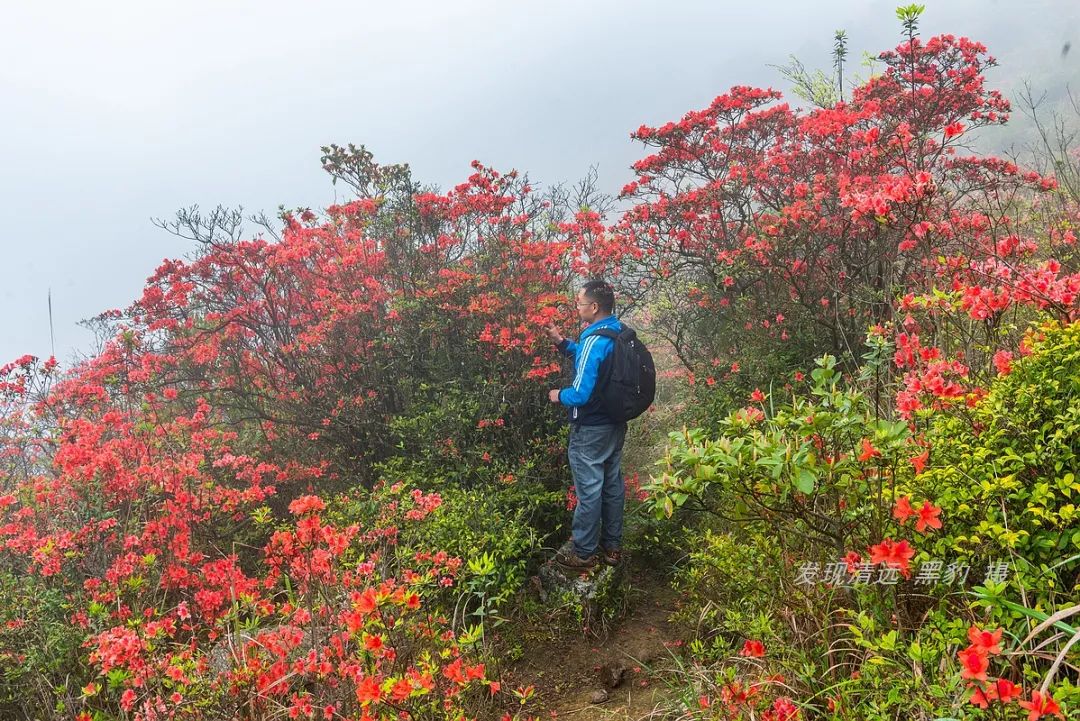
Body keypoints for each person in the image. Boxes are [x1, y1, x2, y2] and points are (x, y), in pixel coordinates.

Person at [545, 280, 626, 569]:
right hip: (615, 424)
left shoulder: (594, 339)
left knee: (589, 489)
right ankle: (612, 548)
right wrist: (561, 342)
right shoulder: (617, 332)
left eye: (579, 303)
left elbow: (580, 393)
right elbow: (594, 361)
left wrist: (559, 395)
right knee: (612, 484)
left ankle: (583, 553)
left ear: (593, 307)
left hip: (591, 428)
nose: (577, 307)